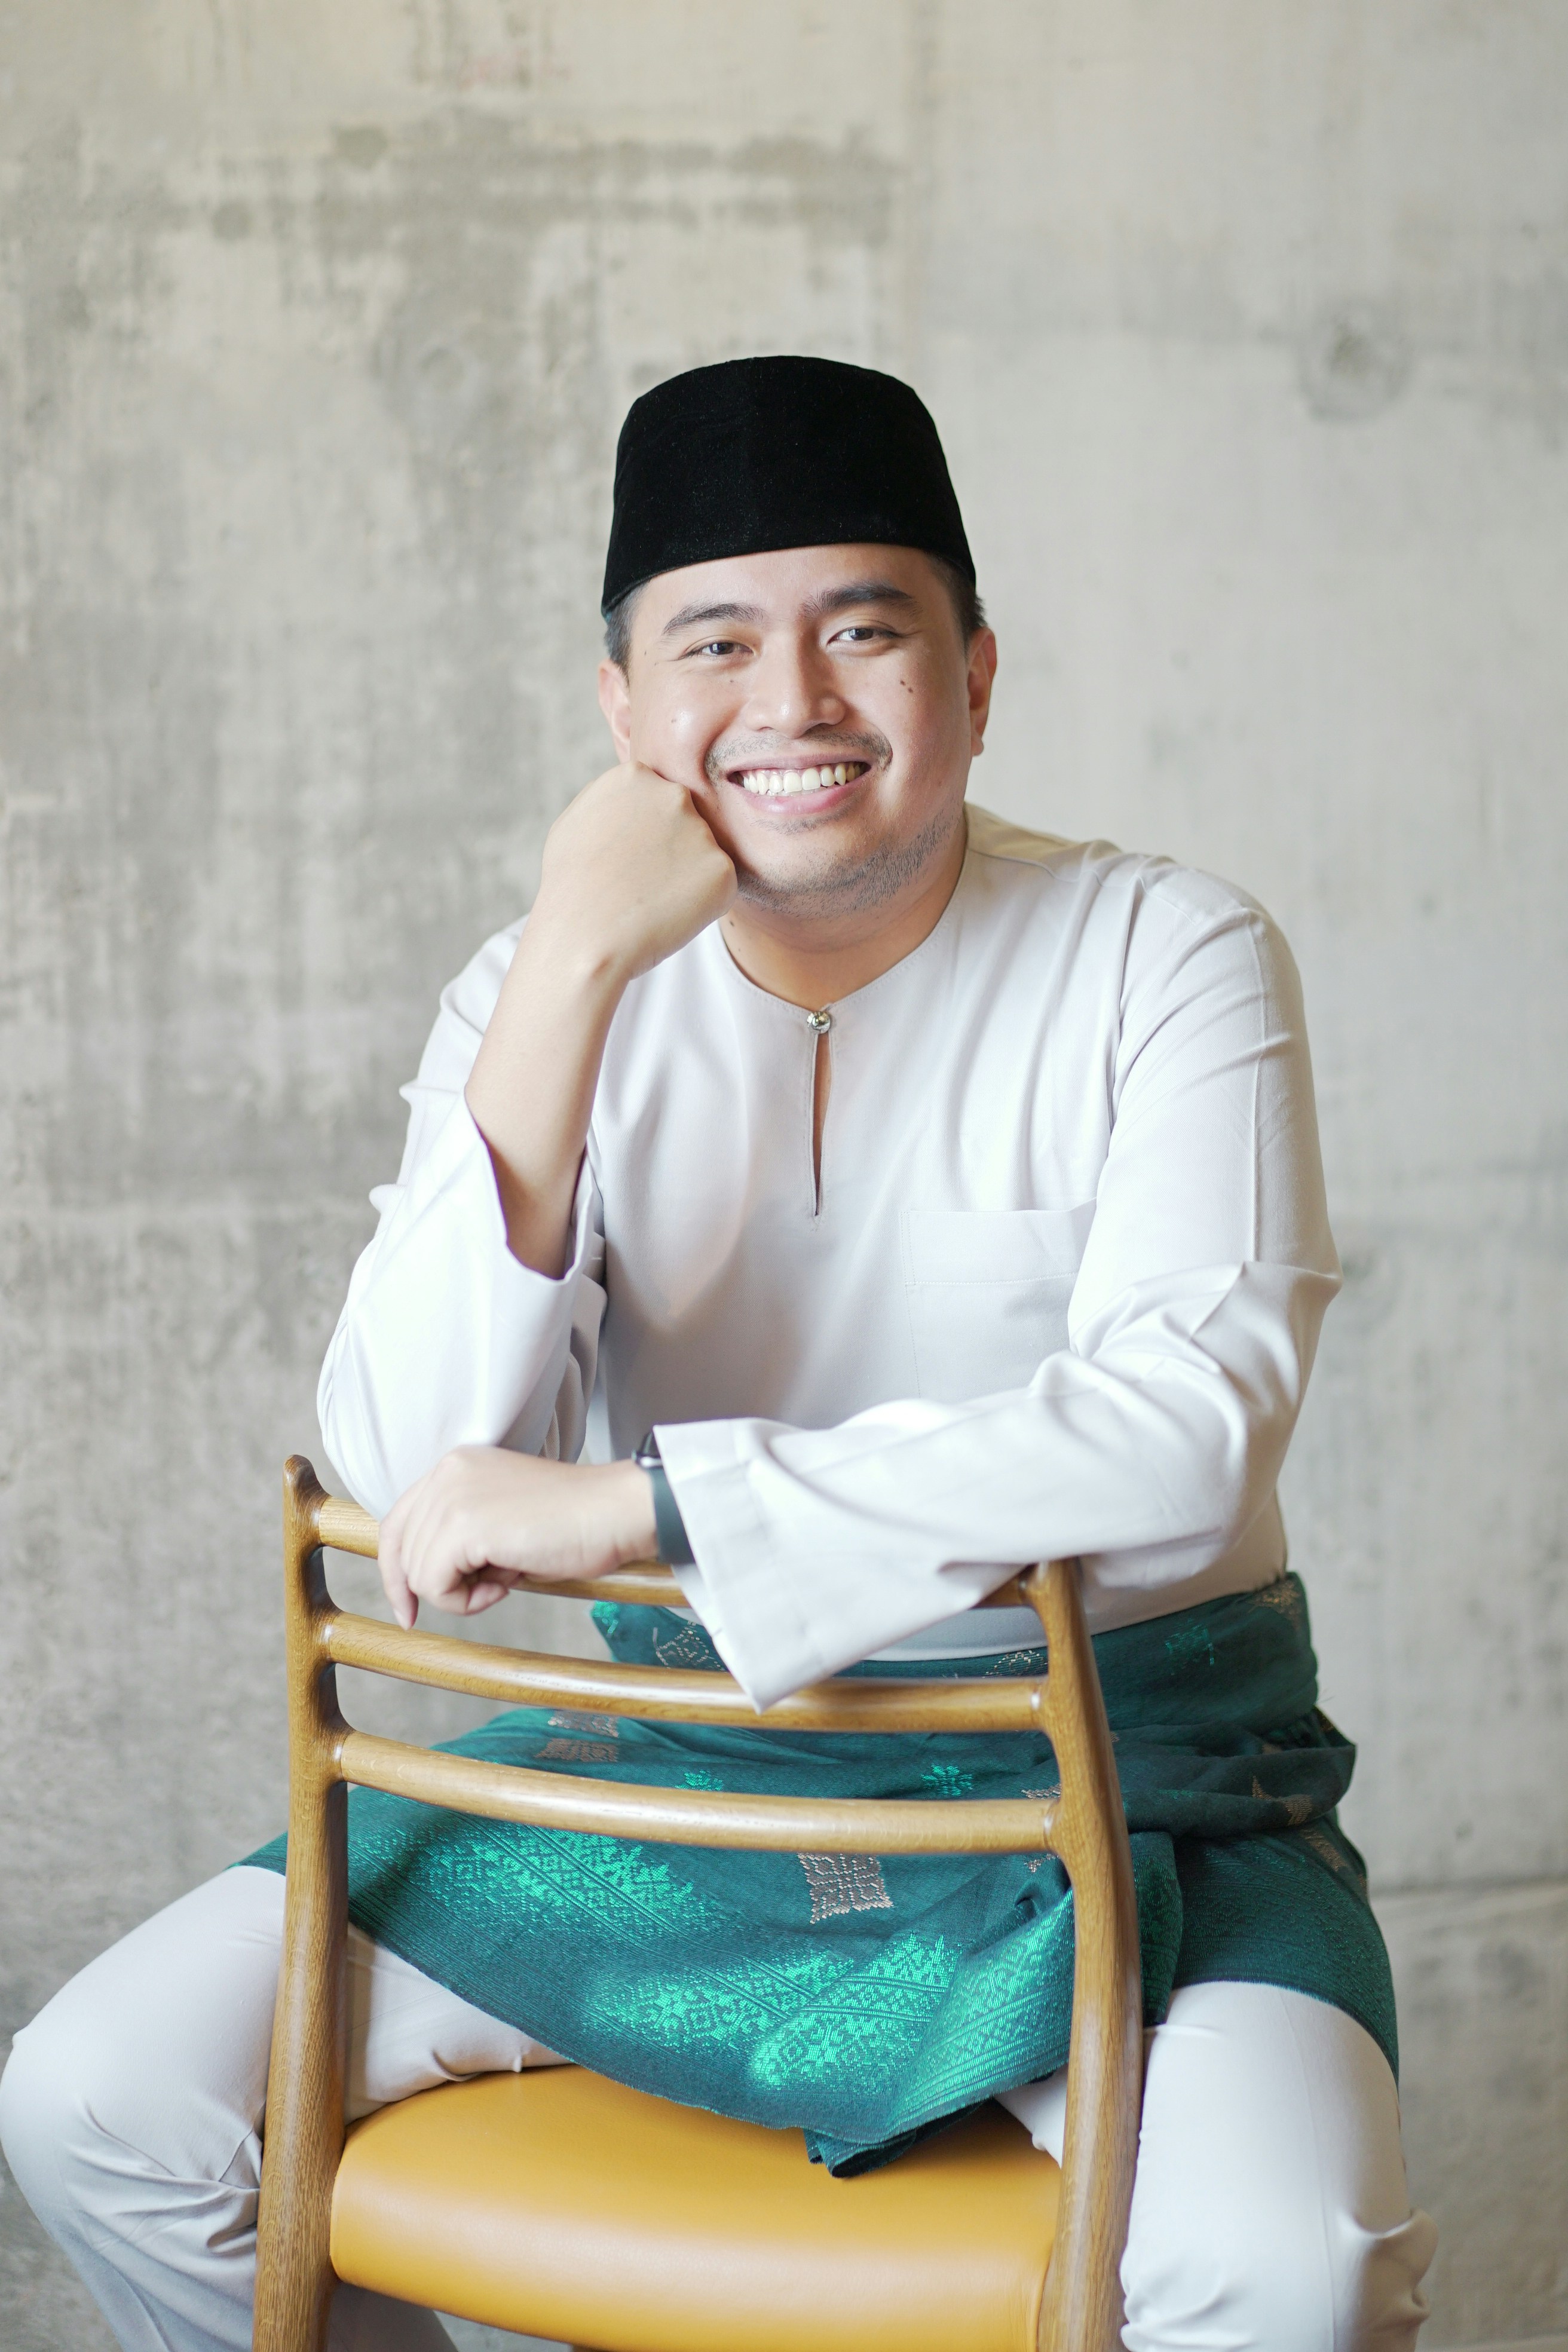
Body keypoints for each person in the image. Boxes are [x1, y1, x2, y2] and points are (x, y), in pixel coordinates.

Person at [1, 357, 1437, 2350]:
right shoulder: (538, 991)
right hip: (676, 1790)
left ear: (978, 673)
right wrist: (575, 968)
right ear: (623, 711)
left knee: (1286, 2263)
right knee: (98, 2097)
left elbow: (1182, 1442)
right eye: (716, 641)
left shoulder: (1167, 950)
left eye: (867, 627)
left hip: (1132, 1792)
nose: (795, 703)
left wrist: (636, 1509)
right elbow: (407, 1465)